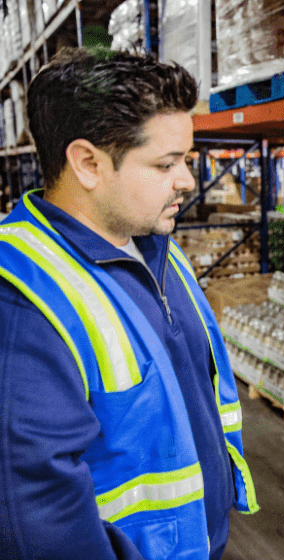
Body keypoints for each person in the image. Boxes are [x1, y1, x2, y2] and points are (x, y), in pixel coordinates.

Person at [0, 48, 258, 560]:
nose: (187, 179)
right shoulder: (23, 301)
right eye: (167, 163)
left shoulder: (152, 243)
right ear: (88, 163)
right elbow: (39, 519)